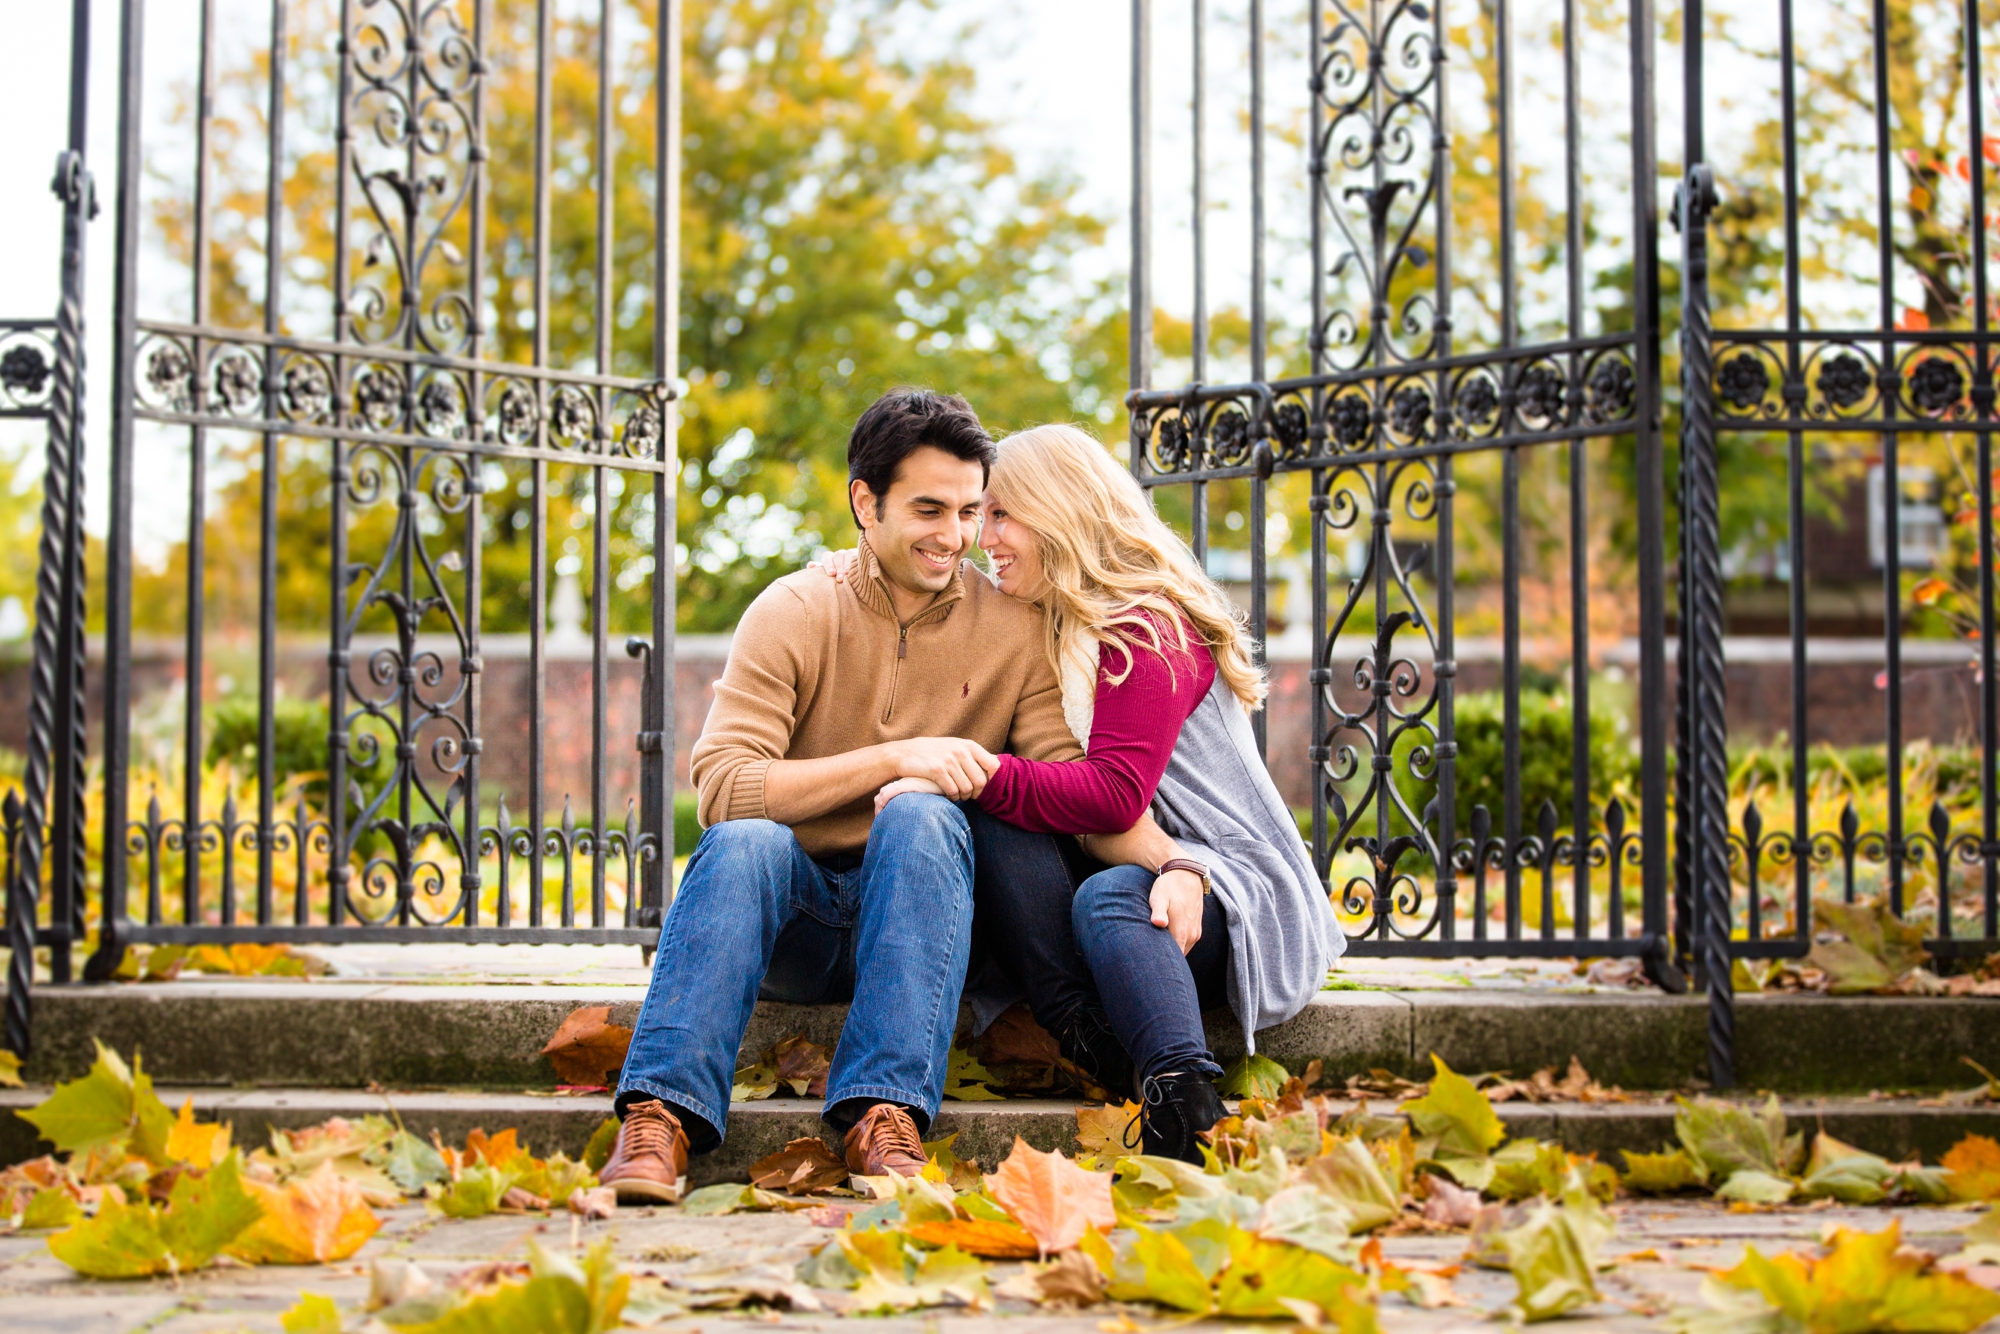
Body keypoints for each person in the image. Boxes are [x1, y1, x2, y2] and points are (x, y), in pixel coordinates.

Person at [598, 390, 1085, 1201]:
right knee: (744, 838)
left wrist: (1173, 859)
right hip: (797, 920)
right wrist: (894, 756)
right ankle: (661, 1118)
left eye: (970, 511)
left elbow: (1067, 782)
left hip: (924, 910)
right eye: (929, 509)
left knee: (926, 813)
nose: (955, 536)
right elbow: (724, 787)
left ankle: (884, 1117)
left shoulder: (1014, 628)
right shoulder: (794, 609)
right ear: (866, 501)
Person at [853, 423, 1342, 1162]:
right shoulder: (1049, 628)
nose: (983, 536)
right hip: (1131, 863)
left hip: (1228, 885)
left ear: (1060, 511)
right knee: (999, 818)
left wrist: (971, 770)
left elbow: (1114, 795)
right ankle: (1095, 1041)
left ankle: (1184, 1104)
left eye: (1001, 513)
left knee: (1107, 895)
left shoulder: (1151, 625)